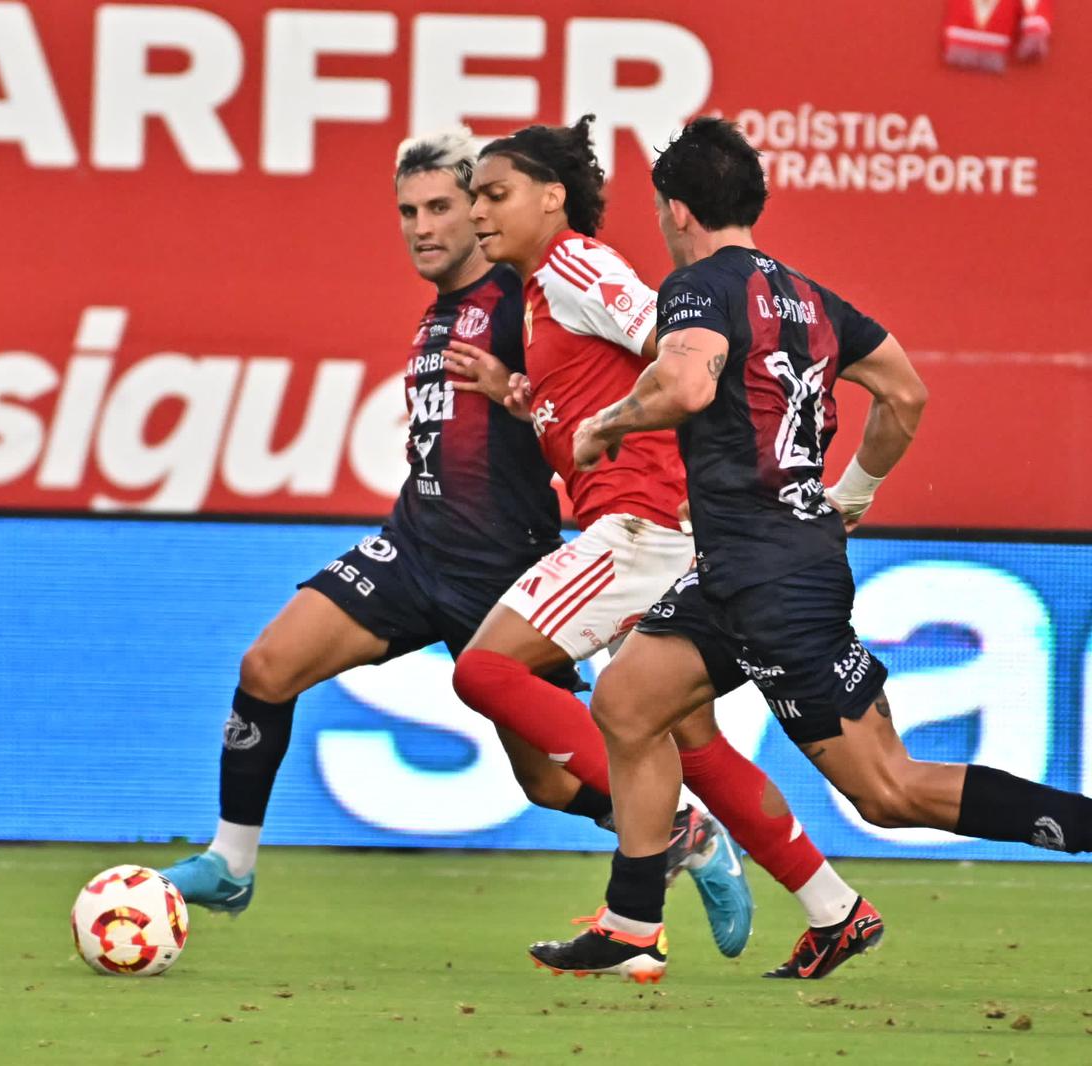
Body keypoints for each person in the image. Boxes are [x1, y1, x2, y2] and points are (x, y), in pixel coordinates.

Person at [534, 116, 1092, 984]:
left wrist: (606, 423)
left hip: (773, 584)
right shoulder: (811, 298)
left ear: (676, 210)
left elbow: (684, 381)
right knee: (629, 703)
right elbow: (904, 394)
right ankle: (631, 922)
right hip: (742, 567)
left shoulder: (699, 287)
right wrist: (851, 495)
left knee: (889, 790)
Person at [159, 129, 741, 936]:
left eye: (443, 207)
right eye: (407, 211)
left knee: (546, 783)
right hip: (414, 549)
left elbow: (641, 366)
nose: (422, 226)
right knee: (267, 666)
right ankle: (231, 863)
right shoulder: (439, 317)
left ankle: (683, 833)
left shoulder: (524, 299)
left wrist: (663, 469)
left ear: (481, 212)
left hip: (505, 572)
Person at [450, 119, 868, 969]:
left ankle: (672, 831)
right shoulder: (540, 294)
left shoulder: (575, 264)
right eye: (475, 201)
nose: (478, 216)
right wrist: (528, 401)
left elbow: (678, 361)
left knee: (487, 669)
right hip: (668, 522)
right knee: (686, 737)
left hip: (643, 524)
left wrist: (672, 460)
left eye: (495, 196)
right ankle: (835, 905)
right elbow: (615, 394)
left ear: (552, 198)